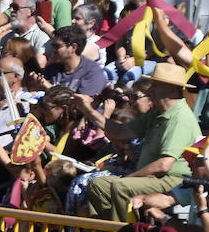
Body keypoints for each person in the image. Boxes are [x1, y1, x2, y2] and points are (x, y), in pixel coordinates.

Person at [85, 63, 199, 221]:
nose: (150, 89)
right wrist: (86, 110)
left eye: (156, 85)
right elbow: (120, 132)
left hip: (173, 179)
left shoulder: (180, 118)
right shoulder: (157, 113)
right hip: (155, 177)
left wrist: (131, 177)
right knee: (97, 185)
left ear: (171, 89)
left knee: (120, 186)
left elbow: (164, 165)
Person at [38, 25, 106, 96]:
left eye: (57, 46)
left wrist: (50, 88)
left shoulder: (92, 72)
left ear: (73, 47)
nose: (53, 50)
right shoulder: (53, 68)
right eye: (53, 46)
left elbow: (83, 104)